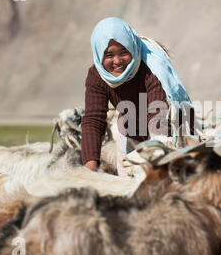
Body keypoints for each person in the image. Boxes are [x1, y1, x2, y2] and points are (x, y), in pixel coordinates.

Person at [81, 17, 194, 175]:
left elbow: (159, 117)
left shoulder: (152, 69)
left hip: (170, 131)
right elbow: (93, 121)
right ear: (99, 54)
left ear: (132, 48)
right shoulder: (97, 76)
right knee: (126, 183)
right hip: (131, 128)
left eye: (124, 52)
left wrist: (153, 161)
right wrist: (88, 173)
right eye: (109, 55)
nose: (117, 61)